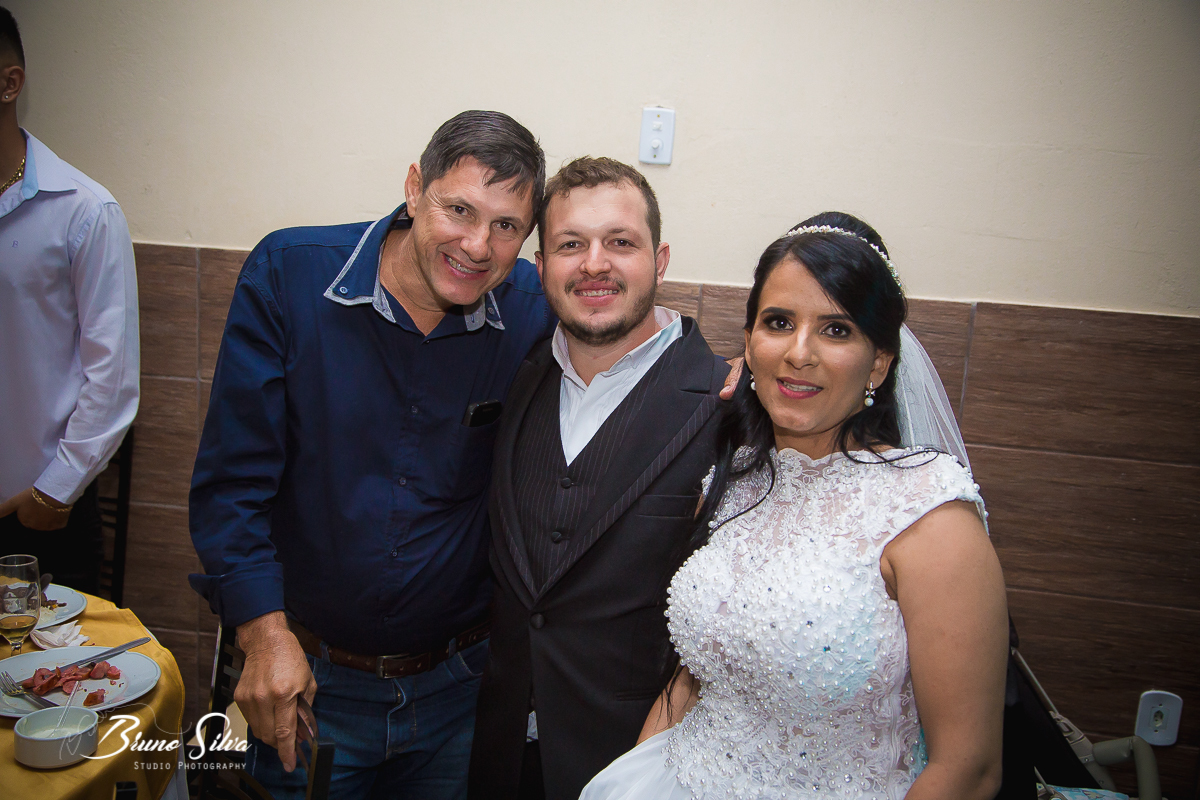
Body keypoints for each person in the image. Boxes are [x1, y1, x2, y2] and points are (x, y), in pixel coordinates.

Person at [189, 111, 555, 800]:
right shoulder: (289, 276)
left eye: (506, 226)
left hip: (459, 695)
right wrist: (263, 635)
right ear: (414, 188)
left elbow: (623, 338)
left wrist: (729, 376)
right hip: (308, 685)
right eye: (459, 209)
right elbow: (233, 484)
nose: (478, 246)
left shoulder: (533, 309)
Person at [581, 212, 1009, 800]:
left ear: (878, 362)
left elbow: (969, 769)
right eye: (779, 322)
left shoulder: (928, 515)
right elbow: (692, 679)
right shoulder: (734, 483)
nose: (799, 353)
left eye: (836, 330)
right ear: (750, 342)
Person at [468, 157, 730, 800]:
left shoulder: (730, 406)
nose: (594, 264)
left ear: (659, 260)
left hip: (642, 765)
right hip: (499, 755)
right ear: (540, 268)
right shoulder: (518, 373)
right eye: (570, 245)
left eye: (620, 242)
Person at [0, 5, 139, 594]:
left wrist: (52, 493)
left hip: (35, 514)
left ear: (9, 83)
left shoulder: (83, 211)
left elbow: (112, 376)